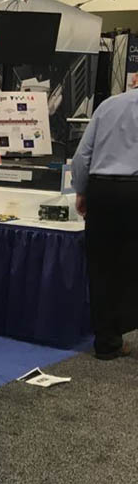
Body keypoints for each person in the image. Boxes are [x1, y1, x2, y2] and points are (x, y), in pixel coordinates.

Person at [71, 87, 138, 359]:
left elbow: (82, 156)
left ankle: (107, 343)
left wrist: (81, 190)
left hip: (103, 190)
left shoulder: (108, 106)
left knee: (102, 266)